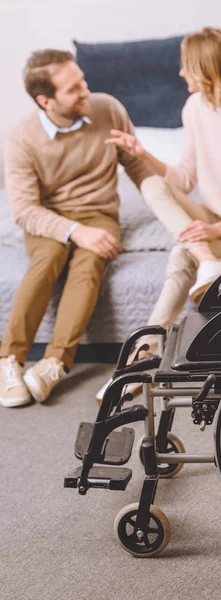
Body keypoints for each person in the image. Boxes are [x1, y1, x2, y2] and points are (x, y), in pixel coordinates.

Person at [96, 27, 221, 402]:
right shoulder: (196, 108)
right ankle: (207, 262)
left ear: (205, 70)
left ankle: (139, 359)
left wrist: (217, 227)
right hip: (215, 225)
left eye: (186, 67)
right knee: (153, 185)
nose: (181, 74)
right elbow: (183, 179)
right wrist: (141, 152)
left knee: (181, 251)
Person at [0, 49, 155, 408]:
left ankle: (54, 362)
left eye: (83, 81)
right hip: (47, 216)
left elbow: (137, 167)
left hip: (99, 213)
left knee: (89, 263)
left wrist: (177, 210)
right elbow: (24, 210)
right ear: (46, 101)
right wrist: (74, 231)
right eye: (74, 89)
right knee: (49, 258)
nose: (86, 91)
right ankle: (9, 358)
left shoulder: (108, 109)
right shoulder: (22, 138)